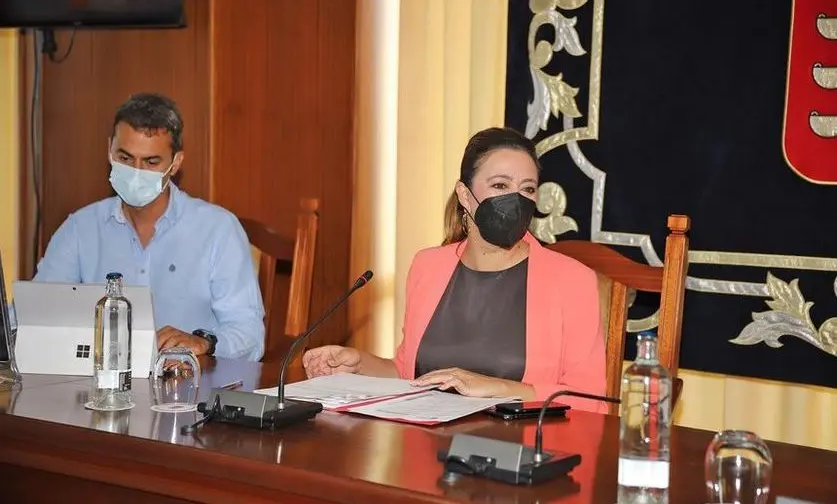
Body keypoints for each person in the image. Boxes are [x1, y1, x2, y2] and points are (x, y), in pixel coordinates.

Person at [303, 127, 607, 412]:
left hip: (520, 452)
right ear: (464, 195)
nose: (515, 199)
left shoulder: (571, 280)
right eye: (500, 185)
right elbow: (408, 372)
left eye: (527, 189)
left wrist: (497, 388)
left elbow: (591, 401)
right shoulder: (428, 266)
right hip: (427, 448)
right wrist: (359, 364)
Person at [32, 93, 265, 360]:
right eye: (126, 158)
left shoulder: (218, 230)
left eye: (151, 162)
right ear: (110, 150)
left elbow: (249, 335)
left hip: (189, 391)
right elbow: (38, 316)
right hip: (102, 389)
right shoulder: (79, 229)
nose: (136, 171)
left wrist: (203, 343)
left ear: (175, 163)